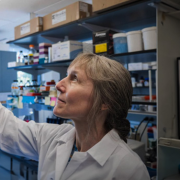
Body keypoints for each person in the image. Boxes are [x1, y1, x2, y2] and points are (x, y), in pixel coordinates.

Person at [0, 53, 150, 180]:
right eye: (66, 76)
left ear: (105, 102)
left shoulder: (129, 169)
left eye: (74, 78)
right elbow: (6, 125)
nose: (58, 85)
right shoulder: (53, 137)